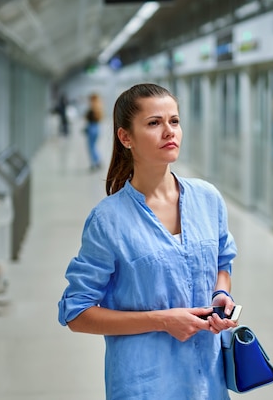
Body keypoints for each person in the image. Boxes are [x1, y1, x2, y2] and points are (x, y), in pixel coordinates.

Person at [58, 83, 238, 399]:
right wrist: (161, 321)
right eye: (154, 123)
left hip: (207, 381)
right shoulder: (109, 220)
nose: (169, 131)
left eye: (175, 121)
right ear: (126, 137)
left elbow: (223, 259)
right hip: (145, 384)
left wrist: (220, 293)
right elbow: (76, 312)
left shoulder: (208, 198)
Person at [85, 92, 104, 171]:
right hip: (97, 128)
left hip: (92, 128)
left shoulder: (92, 109)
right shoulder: (99, 108)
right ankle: (97, 161)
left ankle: (95, 162)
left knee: (91, 147)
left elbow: (87, 117)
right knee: (94, 146)